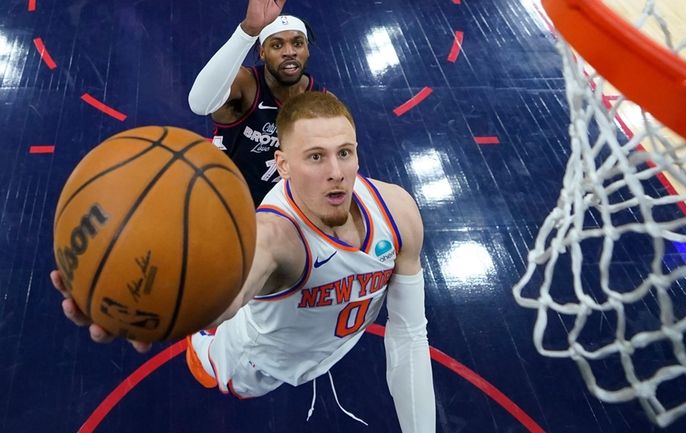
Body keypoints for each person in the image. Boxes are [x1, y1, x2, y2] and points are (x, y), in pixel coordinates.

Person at [51, 92, 436, 433]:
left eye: (345, 153)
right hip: (242, 363)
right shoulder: (273, 238)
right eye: (315, 157)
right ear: (283, 166)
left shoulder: (397, 211)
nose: (336, 172)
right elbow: (229, 298)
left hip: (326, 342)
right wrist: (135, 302)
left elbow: (410, 333)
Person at [188, 0, 328, 205]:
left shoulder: (321, 102)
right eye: (277, 45)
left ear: (308, 50)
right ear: (262, 52)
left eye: (297, 43)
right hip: (224, 194)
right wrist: (248, 32)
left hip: (282, 206)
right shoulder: (245, 85)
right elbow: (199, 104)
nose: (289, 51)